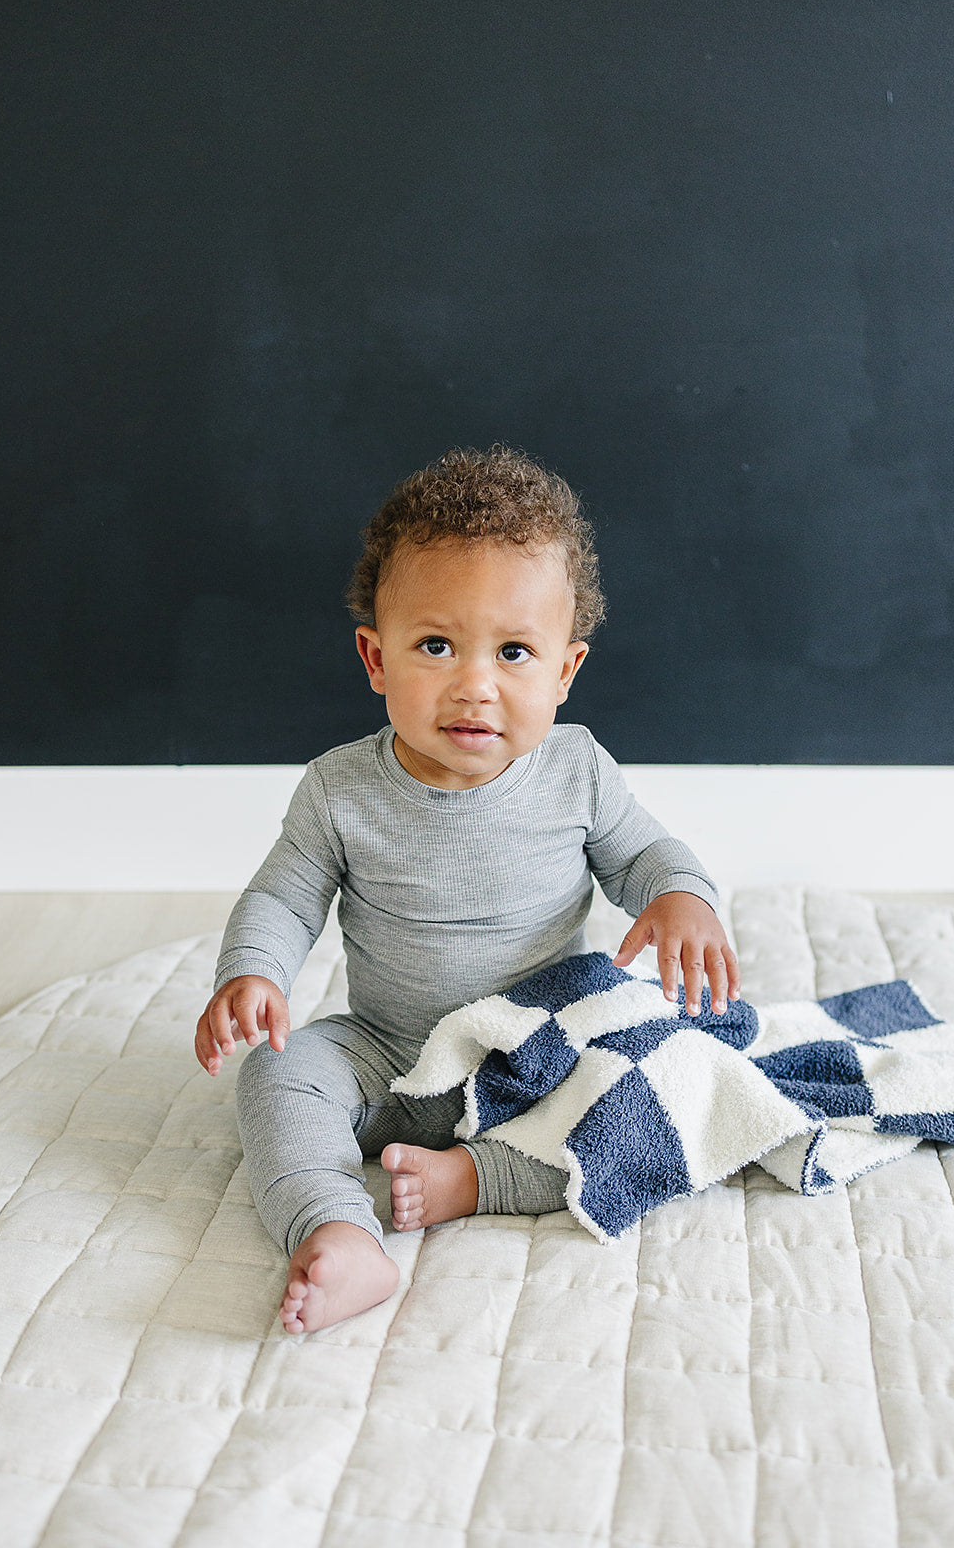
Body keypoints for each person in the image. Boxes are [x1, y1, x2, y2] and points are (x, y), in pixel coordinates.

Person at [194, 446, 739, 1333]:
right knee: (280, 1074)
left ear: (564, 673)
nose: (474, 685)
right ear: (376, 657)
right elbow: (282, 898)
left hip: (536, 1054)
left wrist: (679, 895)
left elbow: (646, 854)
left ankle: (472, 1182)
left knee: (655, 1089)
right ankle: (336, 1228)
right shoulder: (341, 790)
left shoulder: (577, 772)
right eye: (436, 644)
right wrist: (252, 974)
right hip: (389, 1054)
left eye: (515, 652)